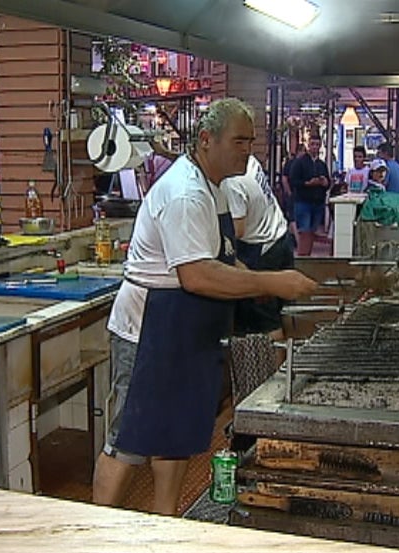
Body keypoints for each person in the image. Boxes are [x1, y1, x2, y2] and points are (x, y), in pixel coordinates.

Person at [93, 97, 318, 516]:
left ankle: (167, 523)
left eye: (250, 141)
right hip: (149, 332)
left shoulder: (217, 187)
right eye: (238, 141)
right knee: (127, 440)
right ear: (205, 140)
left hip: (186, 329)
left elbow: (221, 257)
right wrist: (269, 279)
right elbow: (195, 275)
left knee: (175, 435)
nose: (246, 150)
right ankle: (93, 532)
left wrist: (253, 286)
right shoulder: (184, 194)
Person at [222, 154, 294, 342]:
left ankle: (278, 371)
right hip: (280, 235)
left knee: (265, 322)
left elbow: (237, 230)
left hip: (263, 251)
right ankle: (288, 364)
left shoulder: (231, 183)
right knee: (283, 310)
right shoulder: (248, 160)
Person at [288, 134, 330, 256]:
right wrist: (307, 183)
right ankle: (302, 257)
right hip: (303, 201)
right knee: (304, 231)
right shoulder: (300, 163)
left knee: (312, 231)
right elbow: (293, 180)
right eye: (312, 144)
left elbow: (328, 182)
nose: (315, 147)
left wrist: (325, 182)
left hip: (318, 203)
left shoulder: (321, 165)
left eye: (317, 145)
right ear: (308, 145)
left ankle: (308, 255)